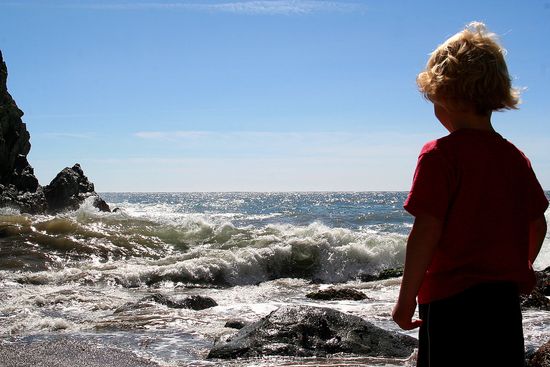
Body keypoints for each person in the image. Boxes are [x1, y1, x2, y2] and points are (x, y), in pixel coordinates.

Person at [392, 22, 548, 367]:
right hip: (502, 303)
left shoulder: (439, 155)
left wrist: (405, 302)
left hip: (449, 302)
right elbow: (537, 222)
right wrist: (520, 267)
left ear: (445, 94)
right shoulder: (513, 156)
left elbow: (426, 232)